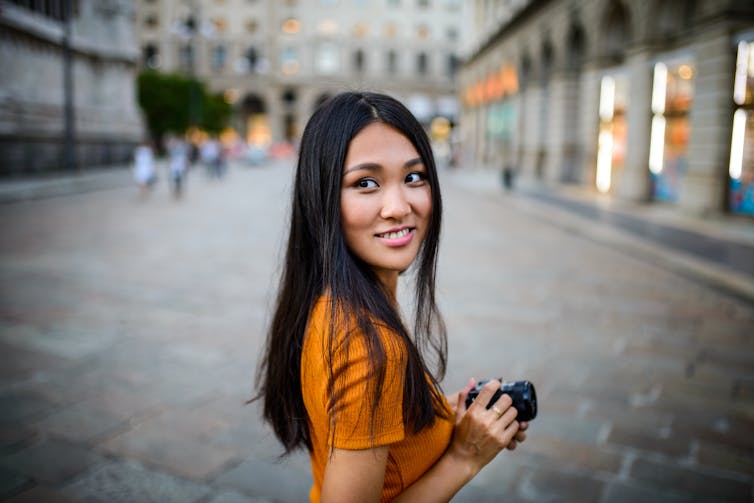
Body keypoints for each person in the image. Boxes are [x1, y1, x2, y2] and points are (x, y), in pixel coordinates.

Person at [255, 92, 528, 502]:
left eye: (414, 177)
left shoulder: (333, 301)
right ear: (322, 197)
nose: (399, 206)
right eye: (366, 183)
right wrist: (465, 455)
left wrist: (442, 412)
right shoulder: (365, 344)